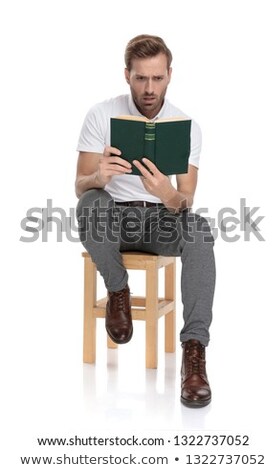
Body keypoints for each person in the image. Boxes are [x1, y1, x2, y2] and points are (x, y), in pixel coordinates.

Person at [75, 34, 216, 408]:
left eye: (156, 78)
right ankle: (118, 290)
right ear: (127, 75)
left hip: (159, 219)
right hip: (112, 219)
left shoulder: (187, 126)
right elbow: (80, 185)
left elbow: (186, 198)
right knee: (91, 203)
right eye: (141, 78)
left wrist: (167, 194)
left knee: (200, 229)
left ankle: (194, 351)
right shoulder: (101, 114)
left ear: (169, 75)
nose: (149, 88)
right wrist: (99, 178)